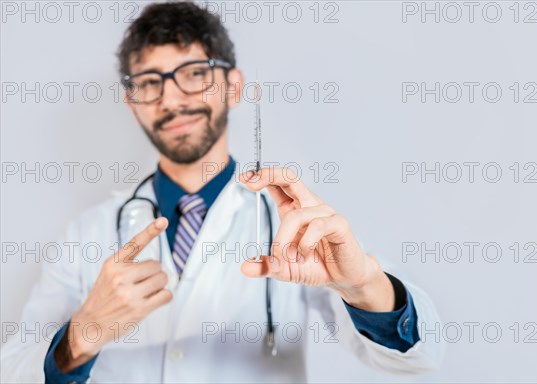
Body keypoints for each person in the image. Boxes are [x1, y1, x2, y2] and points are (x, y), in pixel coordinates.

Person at [0, 2, 444, 382]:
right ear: (133, 104)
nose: (171, 100)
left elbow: (418, 357)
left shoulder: (293, 221)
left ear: (232, 87)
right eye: (150, 83)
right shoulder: (88, 233)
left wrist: (362, 284)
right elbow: (12, 369)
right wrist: (83, 333)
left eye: (193, 73)